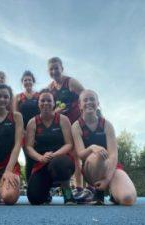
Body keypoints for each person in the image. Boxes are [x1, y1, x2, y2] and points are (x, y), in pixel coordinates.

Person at [71, 90, 137, 205]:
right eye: (85, 100)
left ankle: (114, 194)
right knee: (98, 156)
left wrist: (107, 179)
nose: (89, 102)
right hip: (91, 168)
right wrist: (92, 147)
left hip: (110, 167)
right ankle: (98, 193)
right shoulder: (76, 126)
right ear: (80, 105)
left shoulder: (107, 125)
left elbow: (113, 155)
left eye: (92, 99)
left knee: (127, 199)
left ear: (98, 103)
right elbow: (81, 154)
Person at [25, 89, 76, 205]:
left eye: (49, 100)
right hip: (42, 162)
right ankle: (46, 191)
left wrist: (54, 155)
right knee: (34, 198)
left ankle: (67, 192)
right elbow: (28, 147)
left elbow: (69, 144)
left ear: (54, 103)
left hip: (61, 159)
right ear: (38, 103)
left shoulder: (63, 119)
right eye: (42, 100)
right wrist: (40, 158)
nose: (46, 103)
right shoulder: (32, 122)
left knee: (59, 163)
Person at [47, 57, 85, 200]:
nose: (54, 71)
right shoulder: (50, 88)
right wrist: (55, 112)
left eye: (56, 67)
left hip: (76, 123)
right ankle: (67, 187)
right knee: (66, 155)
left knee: (77, 154)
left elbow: (85, 96)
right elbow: (50, 109)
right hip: (62, 126)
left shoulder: (71, 82)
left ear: (62, 68)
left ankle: (81, 187)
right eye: (51, 69)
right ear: (48, 71)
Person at [13, 71, 39, 181]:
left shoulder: (39, 96)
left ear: (33, 81)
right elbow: (14, 114)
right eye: (25, 80)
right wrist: (22, 130)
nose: (27, 82)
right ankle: (30, 186)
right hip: (24, 132)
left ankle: (42, 185)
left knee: (39, 158)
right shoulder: (18, 97)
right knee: (29, 158)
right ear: (22, 83)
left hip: (38, 131)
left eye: (29, 80)